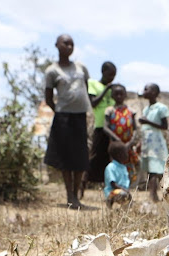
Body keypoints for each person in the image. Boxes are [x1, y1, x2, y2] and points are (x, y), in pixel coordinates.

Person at [43, 34, 92, 209]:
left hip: (80, 116)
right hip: (63, 117)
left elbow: (86, 89)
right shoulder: (52, 71)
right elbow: (48, 97)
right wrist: (59, 110)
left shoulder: (81, 68)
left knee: (79, 156)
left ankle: (76, 194)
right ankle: (69, 195)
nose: (69, 46)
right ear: (57, 45)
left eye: (72, 43)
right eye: (66, 43)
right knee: (65, 156)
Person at [83, 61, 117, 196]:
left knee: (110, 160)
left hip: (113, 130)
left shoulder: (114, 90)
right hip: (100, 127)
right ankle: (82, 186)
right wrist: (106, 90)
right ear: (103, 72)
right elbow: (93, 103)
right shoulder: (93, 84)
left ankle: (109, 190)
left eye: (114, 76)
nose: (112, 78)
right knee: (94, 158)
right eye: (110, 75)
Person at [138, 83, 169, 203]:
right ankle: (154, 195)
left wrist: (148, 122)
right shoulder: (146, 109)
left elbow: (165, 126)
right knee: (150, 169)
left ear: (155, 93)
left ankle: (155, 195)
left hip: (156, 143)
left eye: (147, 89)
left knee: (155, 169)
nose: (144, 91)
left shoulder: (160, 108)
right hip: (147, 142)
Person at [104, 84, 139, 186]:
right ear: (112, 96)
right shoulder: (110, 110)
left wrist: (131, 142)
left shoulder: (131, 111)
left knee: (129, 165)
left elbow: (135, 129)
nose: (119, 96)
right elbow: (105, 127)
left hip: (128, 144)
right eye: (116, 94)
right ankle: (115, 188)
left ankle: (127, 188)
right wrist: (117, 140)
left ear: (125, 95)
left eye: (121, 94)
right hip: (115, 145)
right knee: (115, 166)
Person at [104, 141, 132, 207]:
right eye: (125, 153)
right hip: (112, 193)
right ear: (118, 155)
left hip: (124, 191)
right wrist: (124, 190)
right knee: (123, 195)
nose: (127, 155)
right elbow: (113, 184)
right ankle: (111, 204)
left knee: (128, 200)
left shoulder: (124, 167)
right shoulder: (110, 167)